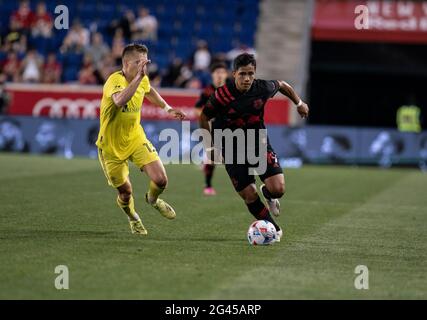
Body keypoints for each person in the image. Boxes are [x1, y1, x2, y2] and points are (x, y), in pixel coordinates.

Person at [199, 53, 309, 242]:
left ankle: (268, 194)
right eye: (242, 74)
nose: (247, 78)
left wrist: (299, 103)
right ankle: (273, 229)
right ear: (234, 74)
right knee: (248, 194)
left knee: (279, 189)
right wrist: (210, 147)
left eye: (251, 73)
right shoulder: (222, 96)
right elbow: (203, 117)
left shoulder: (262, 87)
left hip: (258, 143)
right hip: (231, 147)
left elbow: (282, 85)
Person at [96, 43, 186, 235]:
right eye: (138, 62)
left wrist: (168, 108)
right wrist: (138, 77)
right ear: (125, 62)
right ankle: (133, 218)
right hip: (110, 146)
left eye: (145, 62)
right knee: (125, 192)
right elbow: (120, 100)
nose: (142, 66)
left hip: (135, 137)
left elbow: (149, 90)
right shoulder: (114, 80)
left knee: (161, 180)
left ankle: (152, 200)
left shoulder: (141, 79)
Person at [194, 62, 228, 195]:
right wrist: (206, 117)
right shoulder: (207, 91)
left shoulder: (231, 89)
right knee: (213, 156)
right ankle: (208, 186)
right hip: (212, 127)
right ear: (212, 75)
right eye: (217, 72)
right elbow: (197, 108)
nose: (219, 75)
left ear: (226, 74)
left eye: (222, 72)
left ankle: (206, 163)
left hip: (228, 127)